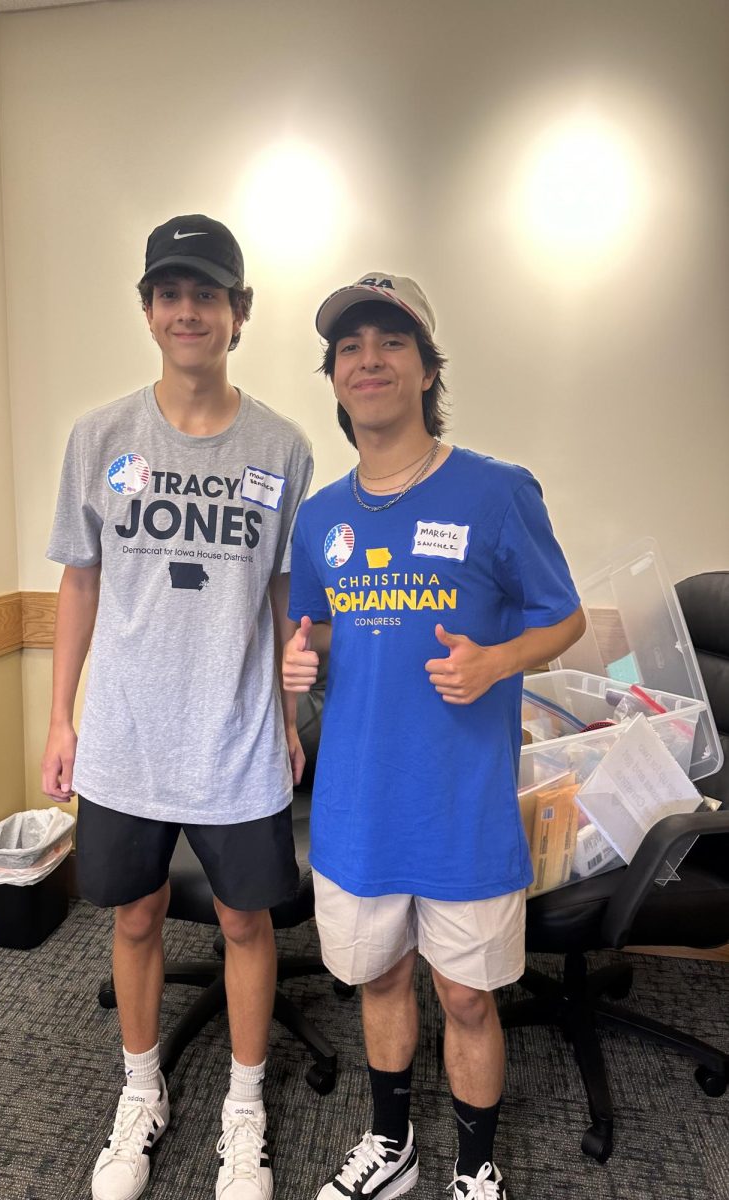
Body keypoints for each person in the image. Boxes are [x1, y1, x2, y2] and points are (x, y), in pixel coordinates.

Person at [283, 273, 585, 1200]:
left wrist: (496, 663)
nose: (368, 361)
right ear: (334, 380)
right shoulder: (320, 518)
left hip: (460, 807)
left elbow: (564, 618)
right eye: (349, 349)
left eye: (391, 343)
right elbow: (321, 628)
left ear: (425, 370)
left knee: (465, 995)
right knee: (378, 980)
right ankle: (392, 1144)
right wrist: (303, 661)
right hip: (358, 807)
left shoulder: (497, 492)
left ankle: (478, 1164)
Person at [43, 214, 313, 1200]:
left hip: (235, 732)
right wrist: (60, 718)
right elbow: (79, 584)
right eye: (169, 292)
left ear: (239, 313)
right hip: (124, 733)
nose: (187, 310)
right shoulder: (101, 438)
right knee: (138, 914)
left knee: (249, 923)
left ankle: (244, 1110)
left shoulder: (282, 446)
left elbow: (285, 589)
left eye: (207, 293)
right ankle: (142, 1090)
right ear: (149, 310)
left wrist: (288, 713)